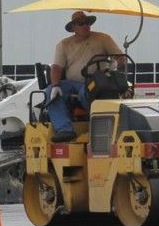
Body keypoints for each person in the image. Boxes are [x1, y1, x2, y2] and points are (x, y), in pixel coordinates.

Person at [45, 11, 124, 141]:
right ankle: (64, 130)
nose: (85, 26)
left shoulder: (103, 38)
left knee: (86, 92)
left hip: (96, 81)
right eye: (81, 23)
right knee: (50, 93)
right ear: (73, 28)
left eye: (87, 22)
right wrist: (55, 85)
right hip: (71, 83)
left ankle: (100, 124)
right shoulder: (64, 44)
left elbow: (120, 58)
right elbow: (57, 67)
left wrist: (113, 67)